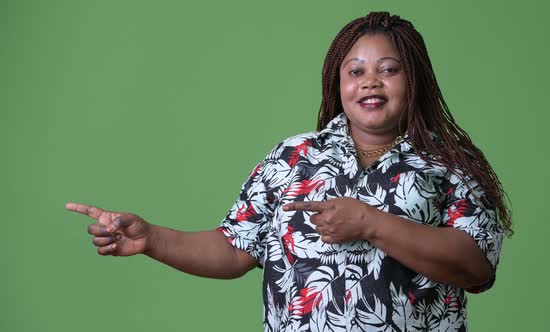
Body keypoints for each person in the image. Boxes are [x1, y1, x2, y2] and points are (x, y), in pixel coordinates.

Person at [66, 12, 512, 332]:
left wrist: (371, 223)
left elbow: (475, 267)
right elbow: (234, 249)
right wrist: (152, 240)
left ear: (414, 80)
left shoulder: (448, 163)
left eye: (389, 70)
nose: (370, 81)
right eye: (355, 71)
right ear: (338, 83)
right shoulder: (293, 157)